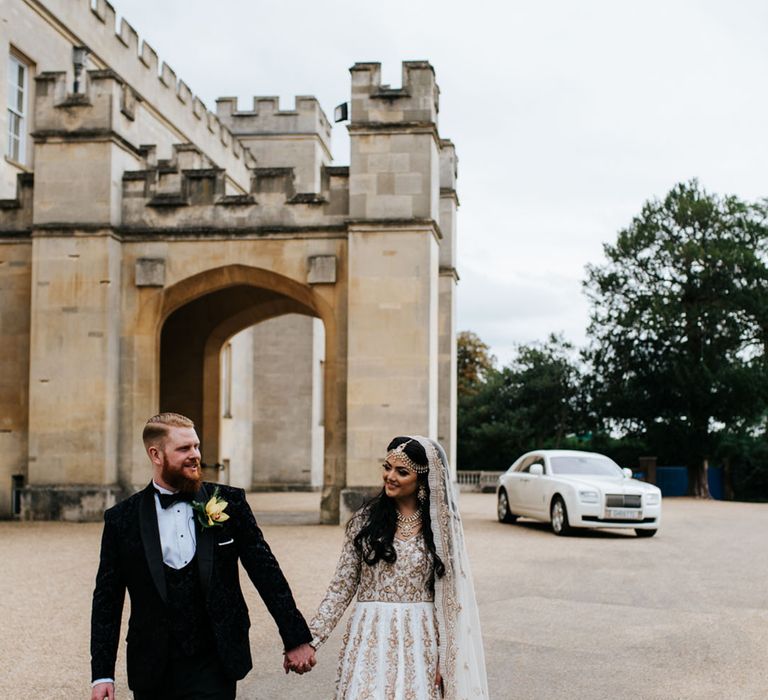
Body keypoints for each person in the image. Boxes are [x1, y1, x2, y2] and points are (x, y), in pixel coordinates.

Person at [90, 412, 316, 700]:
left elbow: (266, 571)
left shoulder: (229, 503)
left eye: (196, 446)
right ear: (156, 454)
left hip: (216, 659)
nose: (195, 455)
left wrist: (295, 637)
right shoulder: (122, 519)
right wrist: (102, 674)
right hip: (153, 664)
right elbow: (107, 600)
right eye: (184, 449)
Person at [308, 436, 488, 699]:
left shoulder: (442, 527)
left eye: (401, 472)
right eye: (387, 467)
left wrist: (448, 657)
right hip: (370, 634)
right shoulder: (364, 521)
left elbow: (452, 599)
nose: (390, 476)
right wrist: (311, 640)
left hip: (420, 637)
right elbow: (341, 587)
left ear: (422, 480)